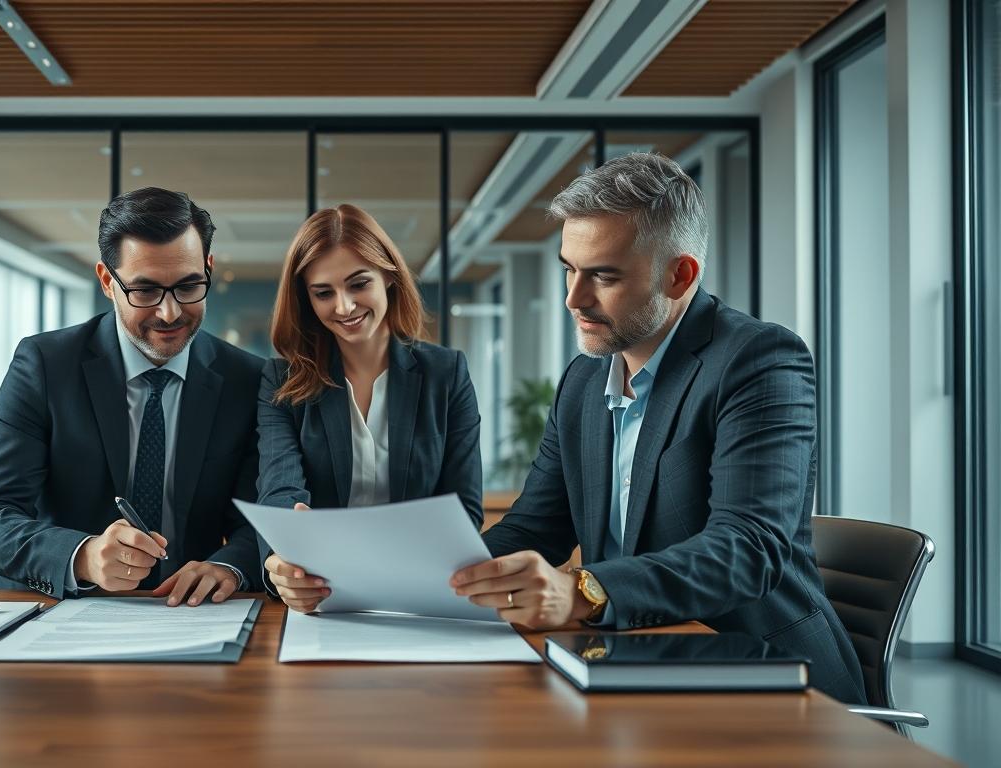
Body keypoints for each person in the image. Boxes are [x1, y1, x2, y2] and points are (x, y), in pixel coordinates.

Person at [451, 153, 867, 704]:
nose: (573, 299)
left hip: (764, 680)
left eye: (603, 275)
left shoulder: (760, 360)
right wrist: (421, 581)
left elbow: (748, 547)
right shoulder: (583, 381)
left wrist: (582, 592)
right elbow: (534, 528)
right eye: (569, 269)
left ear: (680, 275)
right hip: (628, 662)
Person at [0, 187, 264, 606]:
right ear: (107, 281)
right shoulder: (46, 365)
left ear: (208, 269)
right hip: (62, 613)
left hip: (189, 615)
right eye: (145, 291)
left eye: (189, 286)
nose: (170, 312)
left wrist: (229, 565)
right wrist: (82, 556)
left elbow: (260, 520)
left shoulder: (247, 379)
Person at [256, 204, 483, 613]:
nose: (343, 307)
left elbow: (463, 509)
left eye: (358, 284)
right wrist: (281, 561)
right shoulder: (281, 379)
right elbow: (279, 488)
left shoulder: (446, 374)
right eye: (323, 293)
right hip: (322, 593)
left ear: (389, 278)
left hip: (422, 592)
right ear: (306, 299)